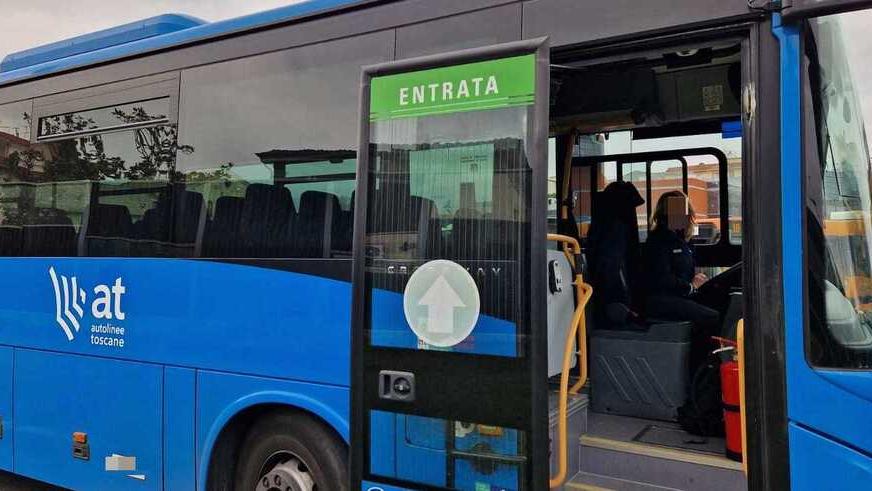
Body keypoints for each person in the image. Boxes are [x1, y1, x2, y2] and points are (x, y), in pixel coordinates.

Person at [643, 191, 720, 347]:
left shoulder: (682, 240)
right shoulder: (658, 240)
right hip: (662, 299)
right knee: (712, 317)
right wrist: (691, 287)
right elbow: (662, 278)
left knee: (720, 301)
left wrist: (696, 281)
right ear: (665, 213)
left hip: (680, 294)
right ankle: (703, 358)